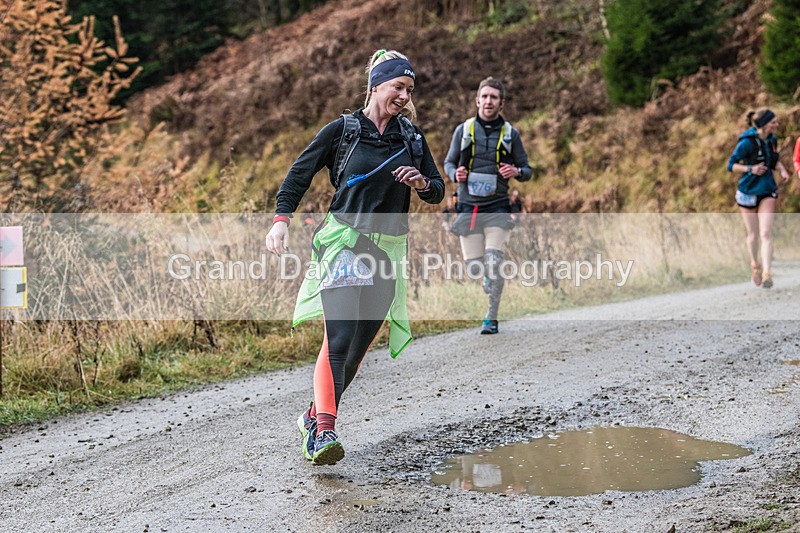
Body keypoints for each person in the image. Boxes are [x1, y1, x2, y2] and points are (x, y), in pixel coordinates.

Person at [265, 50, 444, 466]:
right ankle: (324, 431)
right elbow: (299, 174)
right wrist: (280, 221)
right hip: (345, 243)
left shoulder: (412, 139)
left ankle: (313, 416)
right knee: (339, 339)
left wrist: (422, 183)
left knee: (358, 349)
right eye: (398, 87)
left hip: (388, 250)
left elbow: (437, 188)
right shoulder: (344, 130)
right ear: (376, 85)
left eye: (409, 89)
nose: (404, 95)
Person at [443, 77, 532, 334]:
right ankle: (486, 279)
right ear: (477, 100)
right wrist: (454, 174)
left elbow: (528, 170)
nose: (489, 101)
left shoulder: (510, 134)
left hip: (497, 209)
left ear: (501, 103)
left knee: (494, 262)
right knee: (475, 268)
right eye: (485, 96)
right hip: (469, 210)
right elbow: (449, 163)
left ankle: (491, 317)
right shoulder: (463, 130)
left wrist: (516, 170)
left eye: (494, 97)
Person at [727, 108, 791, 289]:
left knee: (765, 233)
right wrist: (750, 169)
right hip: (747, 190)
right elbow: (730, 165)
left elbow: (772, 159)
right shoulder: (746, 142)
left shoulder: (772, 140)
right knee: (753, 235)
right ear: (764, 124)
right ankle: (755, 264)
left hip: (767, 189)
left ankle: (767, 273)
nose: (777, 125)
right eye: (774, 122)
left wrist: (782, 169)